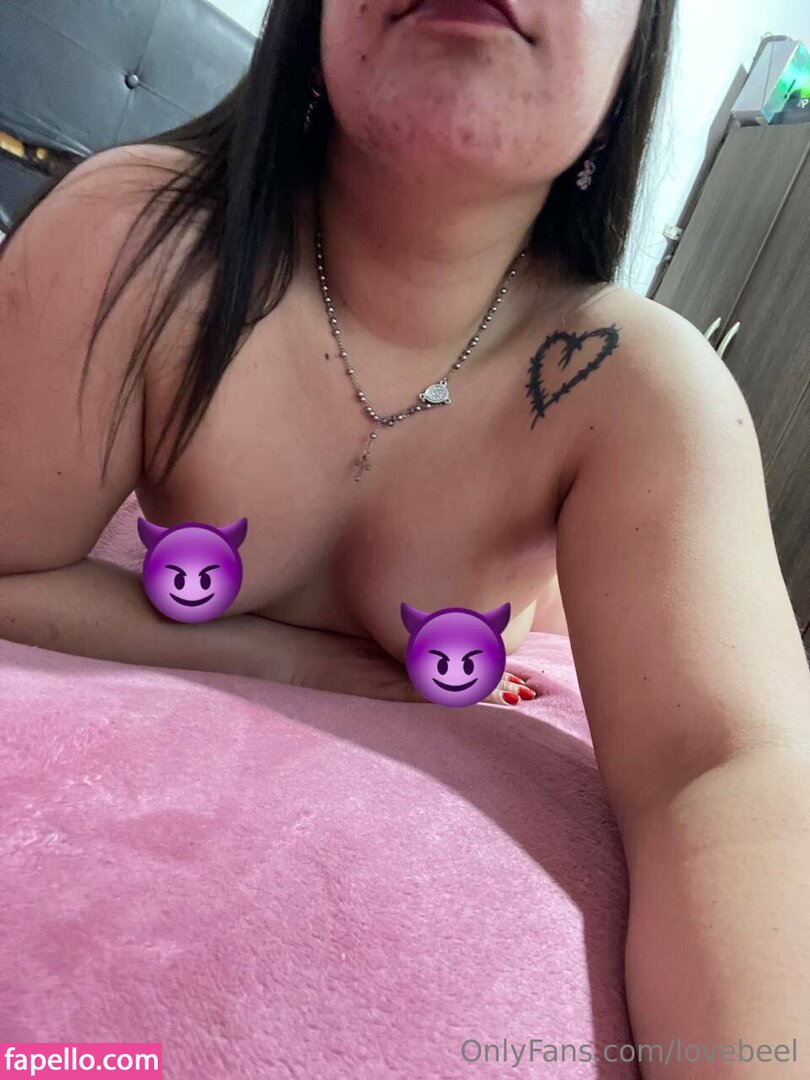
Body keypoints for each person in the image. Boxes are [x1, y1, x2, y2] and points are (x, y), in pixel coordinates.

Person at [1, 1, 809, 1072]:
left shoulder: (637, 391)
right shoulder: (140, 239)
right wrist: (289, 662)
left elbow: (733, 775)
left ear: (635, 51)